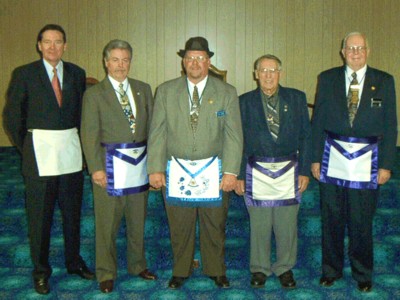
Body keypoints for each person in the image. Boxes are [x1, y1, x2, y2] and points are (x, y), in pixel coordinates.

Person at [2, 24, 94, 295]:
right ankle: (41, 271)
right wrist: (27, 148)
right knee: (39, 218)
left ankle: (74, 262)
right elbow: (12, 117)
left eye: (58, 42)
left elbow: (81, 115)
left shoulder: (77, 73)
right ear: (39, 45)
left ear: (65, 45)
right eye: (47, 42)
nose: (53, 47)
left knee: (72, 213)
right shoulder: (24, 74)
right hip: (39, 156)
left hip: (69, 154)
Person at [147, 37, 243, 289]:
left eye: (200, 58)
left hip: (215, 171)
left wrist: (231, 171)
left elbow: (233, 135)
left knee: (214, 224)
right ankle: (181, 269)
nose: (195, 63)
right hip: (175, 170)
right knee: (180, 225)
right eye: (190, 58)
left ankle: (216, 269)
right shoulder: (165, 91)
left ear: (209, 62)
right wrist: (155, 168)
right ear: (183, 61)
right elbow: (157, 132)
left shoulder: (227, 92)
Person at [311, 32, 397, 292]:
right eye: (350, 48)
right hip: (332, 161)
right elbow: (318, 123)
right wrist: (315, 160)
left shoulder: (384, 81)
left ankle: (362, 274)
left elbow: (391, 125)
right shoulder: (326, 79)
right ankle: (331, 270)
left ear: (368, 51)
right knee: (332, 218)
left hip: (367, 164)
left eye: (360, 48)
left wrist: (386, 165)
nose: (355, 52)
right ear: (342, 51)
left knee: (361, 220)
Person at [80, 39, 157, 293]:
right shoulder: (93, 94)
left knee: (137, 221)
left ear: (130, 62)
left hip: (139, 167)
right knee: (106, 225)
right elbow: (89, 133)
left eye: (125, 60)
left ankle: (137, 265)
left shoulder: (143, 89)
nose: (120, 65)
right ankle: (106, 272)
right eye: (115, 60)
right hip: (108, 169)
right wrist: (96, 168)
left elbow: (153, 130)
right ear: (106, 62)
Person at [235, 54, 311, 289]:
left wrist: (305, 170)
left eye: (273, 70)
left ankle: (284, 267)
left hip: (289, 170)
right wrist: (238, 174)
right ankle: (259, 268)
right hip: (255, 170)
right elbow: (237, 141)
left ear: (280, 73)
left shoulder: (297, 99)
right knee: (260, 223)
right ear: (255, 74)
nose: (268, 75)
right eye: (263, 71)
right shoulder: (243, 102)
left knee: (286, 223)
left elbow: (305, 137)